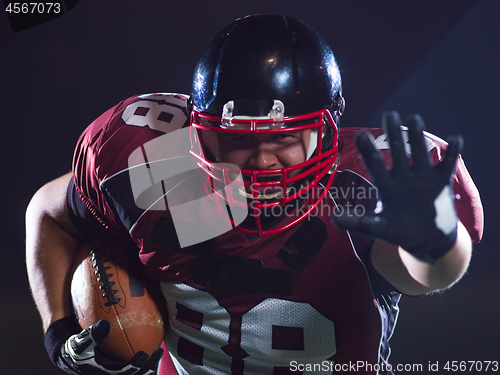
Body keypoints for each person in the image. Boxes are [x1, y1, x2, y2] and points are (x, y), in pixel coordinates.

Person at [26, 14, 483, 375]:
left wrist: (434, 238)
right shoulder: (164, 174)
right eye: (240, 140)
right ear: (200, 132)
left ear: (325, 132)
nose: (262, 162)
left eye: (283, 139)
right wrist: (57, 328)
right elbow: (50, 213)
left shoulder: (356, 190)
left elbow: (423, 272)